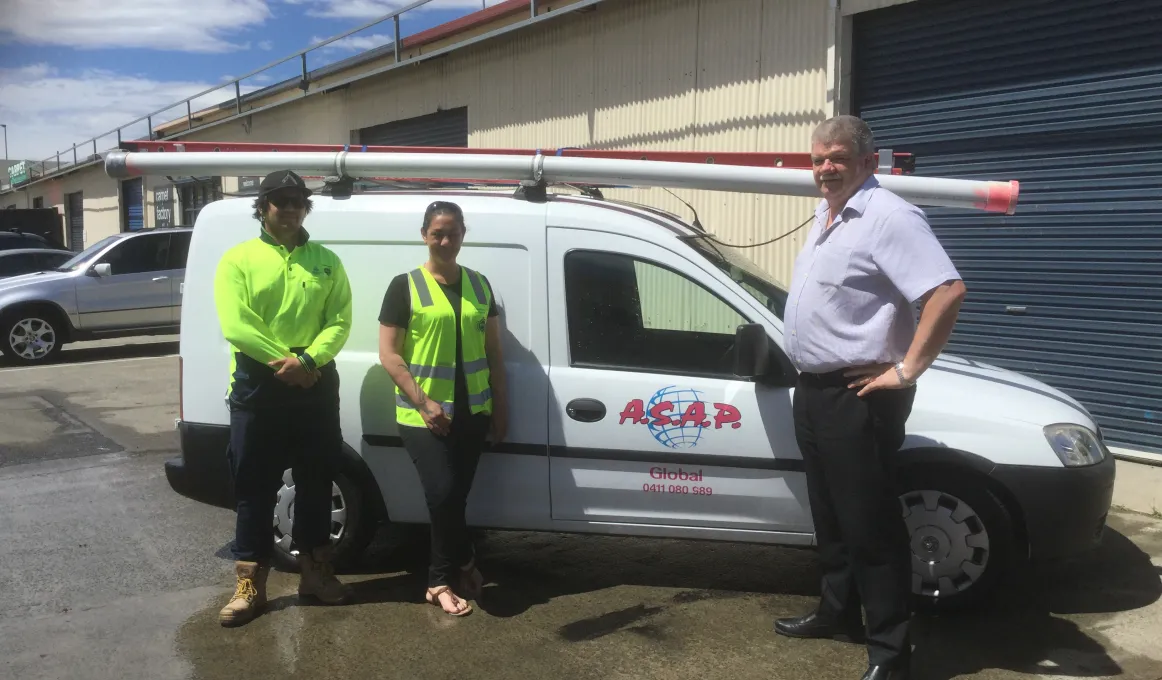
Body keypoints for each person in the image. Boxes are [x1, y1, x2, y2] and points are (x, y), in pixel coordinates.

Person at [775, 116, 967, 680]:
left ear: (868, 161)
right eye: (817, 160)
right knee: (830, 516)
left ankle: (890, 653)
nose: (825, 168)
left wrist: (906, 371)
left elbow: (946, 291)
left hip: (857, 396)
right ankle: (836, 612)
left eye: (836, 157)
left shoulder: (888, 216)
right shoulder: (828, 215)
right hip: (814, 393)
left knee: (871, 525)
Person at [213, 169, 355, 627]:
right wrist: (285, 363)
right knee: (254, 486)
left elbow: (340, 320)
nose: (289, 208)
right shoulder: (238, 259)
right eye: (279, 200)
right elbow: (237, 324)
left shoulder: (326, 260)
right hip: (259, 384)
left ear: (305, 207)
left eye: (296, 200)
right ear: (263, 207)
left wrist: (309, 362)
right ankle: (250, 586)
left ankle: (315, 573)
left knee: (316, 480)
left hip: (314, 383)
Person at [378, 200, 509, 617]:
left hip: (473, 412)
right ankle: (440, 580)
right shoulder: (405, 285)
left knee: (455, 500)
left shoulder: (480, 285)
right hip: (423, 416)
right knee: (443, 494)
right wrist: (423, 402)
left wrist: (501, 409)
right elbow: (389, 355)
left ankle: (461, 565)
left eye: (453, 232)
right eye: (437, 233)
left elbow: (493, 354)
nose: (446, 240)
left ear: (463, 235)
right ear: (424, 235)